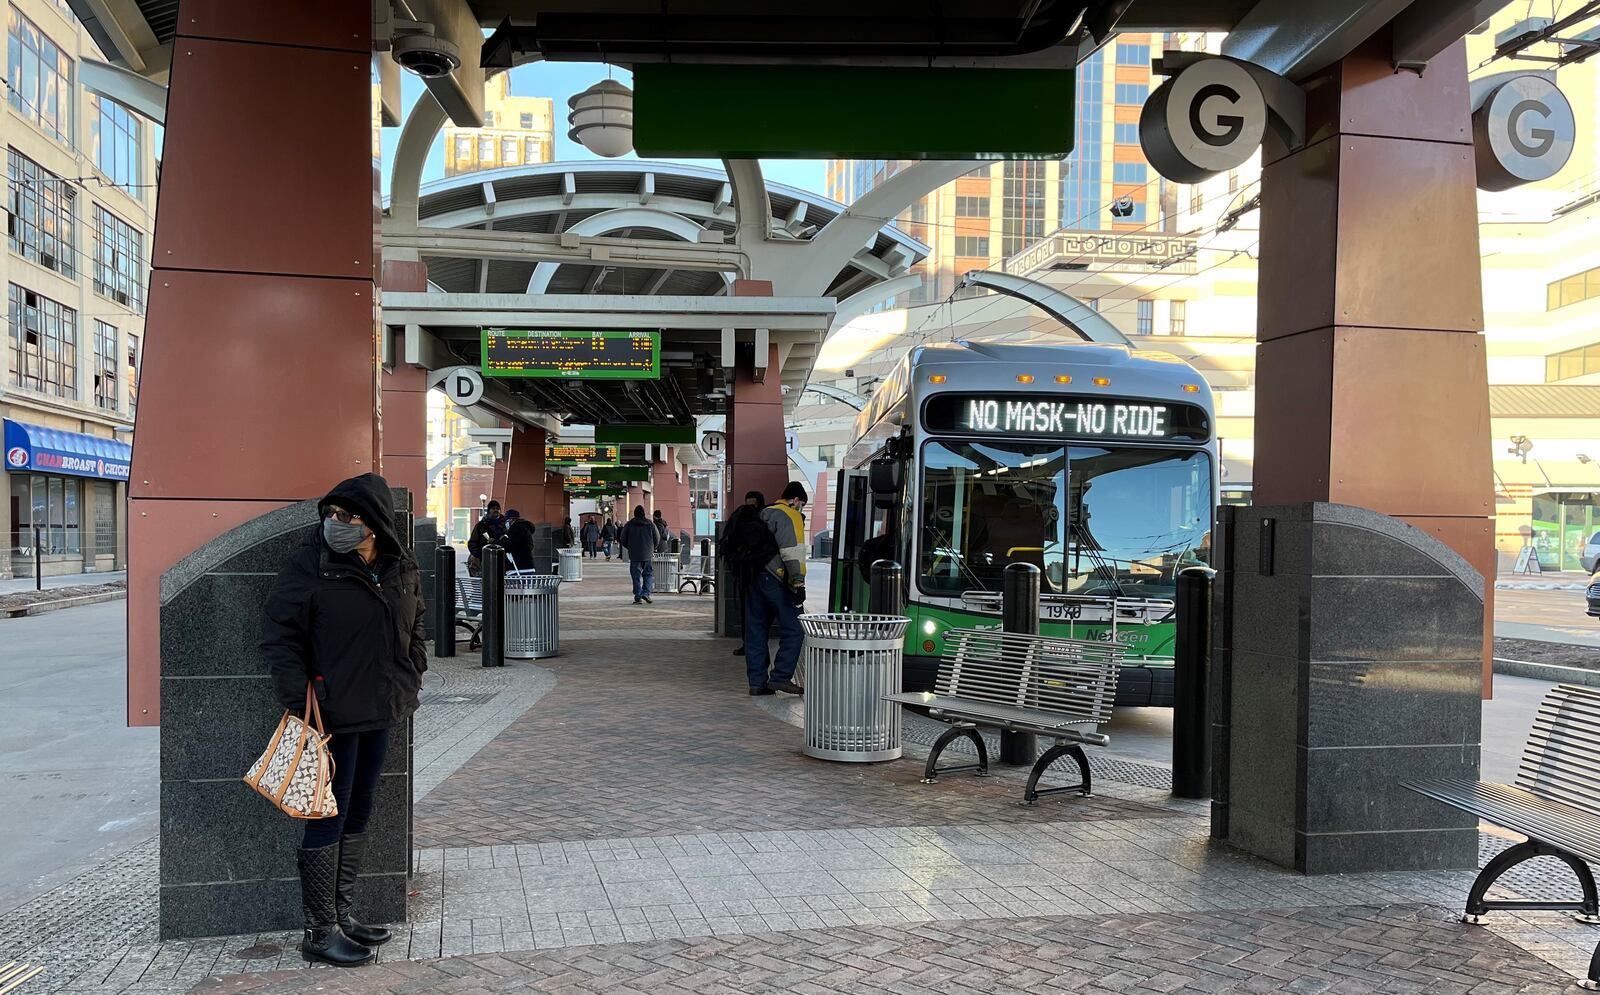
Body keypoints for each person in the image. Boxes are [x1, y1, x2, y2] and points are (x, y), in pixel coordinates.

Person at [259, 473, 425, 968]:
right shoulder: (310, 565)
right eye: (330, 514)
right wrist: (302, 696)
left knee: (359, 808)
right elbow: (278, 636)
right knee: (325, 813)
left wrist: (413, 662)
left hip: (383, 705)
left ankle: (343, 913)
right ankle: (318, 930)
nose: (336, 524)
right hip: (332, 713)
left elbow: (415, 619)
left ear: (373, 523)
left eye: (347, 516)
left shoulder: (400, 566)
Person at [727, 483, 808, 694]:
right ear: (797, 500)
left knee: (756, 630)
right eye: (802, 505)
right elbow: (792, 552)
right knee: (795, 629)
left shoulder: (763, 512)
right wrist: (798, 583)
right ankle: (780, 677)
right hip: (776, 579)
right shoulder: (791, 515)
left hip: (753, 577)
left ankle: (757, 683)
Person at [726, 491, 764, 658]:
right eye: (748, 504)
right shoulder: (745, 521)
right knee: (748, 612)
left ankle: (752, 644)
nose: (750, 508)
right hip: (746, 575)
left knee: (755, 613)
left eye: (753, 504)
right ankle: (748, 643)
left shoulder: (763, 520)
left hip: (756, 575)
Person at [619, 505, 657, 603]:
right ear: (644, 513)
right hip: (647, 554)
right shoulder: (650, 524)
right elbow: (657, 537)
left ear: (635, 513)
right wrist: (652, 548)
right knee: (648, 574)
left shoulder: (629, 524)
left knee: (636, 576)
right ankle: (646, 593)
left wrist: (630, 547)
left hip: (635, 555)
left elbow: (623, 539)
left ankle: (638, 595)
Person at [465, 500, 506, 577]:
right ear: (489, 511)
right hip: (484, 559)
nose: (496, 510)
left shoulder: (505, 525)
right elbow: (472, 543)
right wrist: (481, 556)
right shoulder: (481, 526)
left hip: (502, 560)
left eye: (497, 508)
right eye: (493, 508)